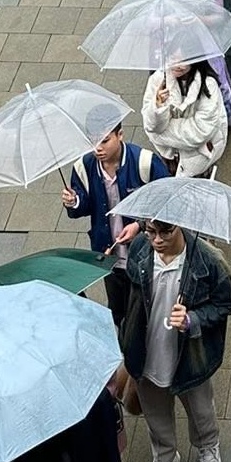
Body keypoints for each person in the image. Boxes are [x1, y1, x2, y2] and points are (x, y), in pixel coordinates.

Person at [118, 218, 231, 462]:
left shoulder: (206, 260)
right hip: (147, 353)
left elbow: (225, 303)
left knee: (200, 408)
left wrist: (193, 319)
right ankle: (164, 460)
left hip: (190, 356)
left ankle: (208, 448)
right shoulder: (140, 251)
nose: (156, 239)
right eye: (150, 231)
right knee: (155, 413)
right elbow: (130, 299)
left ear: (179, 227)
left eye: (165, 231)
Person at [61, 123, 170, 326]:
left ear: (120, 135)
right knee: (117, 308)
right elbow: (83, 207)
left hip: (145, 255)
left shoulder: (145, 162)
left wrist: (139, 225)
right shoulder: (84, 167)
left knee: (147, 308)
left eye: (104, 141)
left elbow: (165, 202)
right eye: (93, 142)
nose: (97, 148)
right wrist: (74, 201)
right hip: (108, 255)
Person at [142, 60, 228, 177]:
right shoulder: (157, 80)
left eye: (183, 60)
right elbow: (150, 124)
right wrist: (159, 107)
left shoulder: (208, 85)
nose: (177, 65)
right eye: (173, 58)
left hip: (199, 159)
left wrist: (161, 134)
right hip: (169, 156)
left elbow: (200, 132)